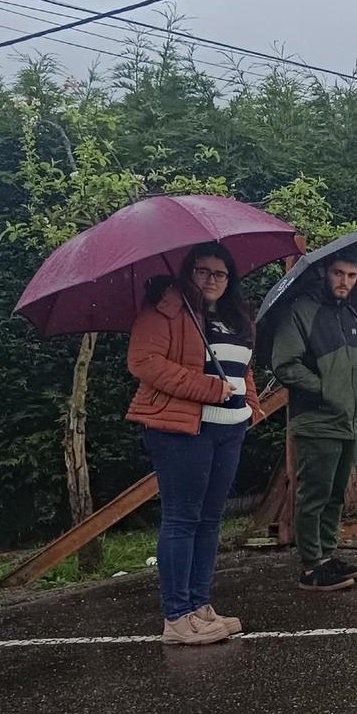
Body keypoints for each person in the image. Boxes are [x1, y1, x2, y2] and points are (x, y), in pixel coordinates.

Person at [127, 242, 262, 646]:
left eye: (220, 273)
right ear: (189, 272)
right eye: (203, 271)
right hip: (183, 429)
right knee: (182, 519)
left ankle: (200, 606)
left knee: (210, 519)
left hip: (229, 429)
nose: (212, 280)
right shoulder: (166, 308)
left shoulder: (235, 316)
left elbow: (243, 368)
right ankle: (177, 616)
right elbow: (144, 362)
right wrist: (208, 388)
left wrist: (251, 407)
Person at [270, 251, 357, 593]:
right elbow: (285, 364)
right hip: (316, 421)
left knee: (334, 497)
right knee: (313, 494)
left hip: (348, 421)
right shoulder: (300, 312)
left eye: (352, 275)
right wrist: (326, 390)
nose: (345, 282)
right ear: (324, 273)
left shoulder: (350, 315)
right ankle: (312, 566)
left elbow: (351, 370)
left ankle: (328, 557)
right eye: (338, 273)